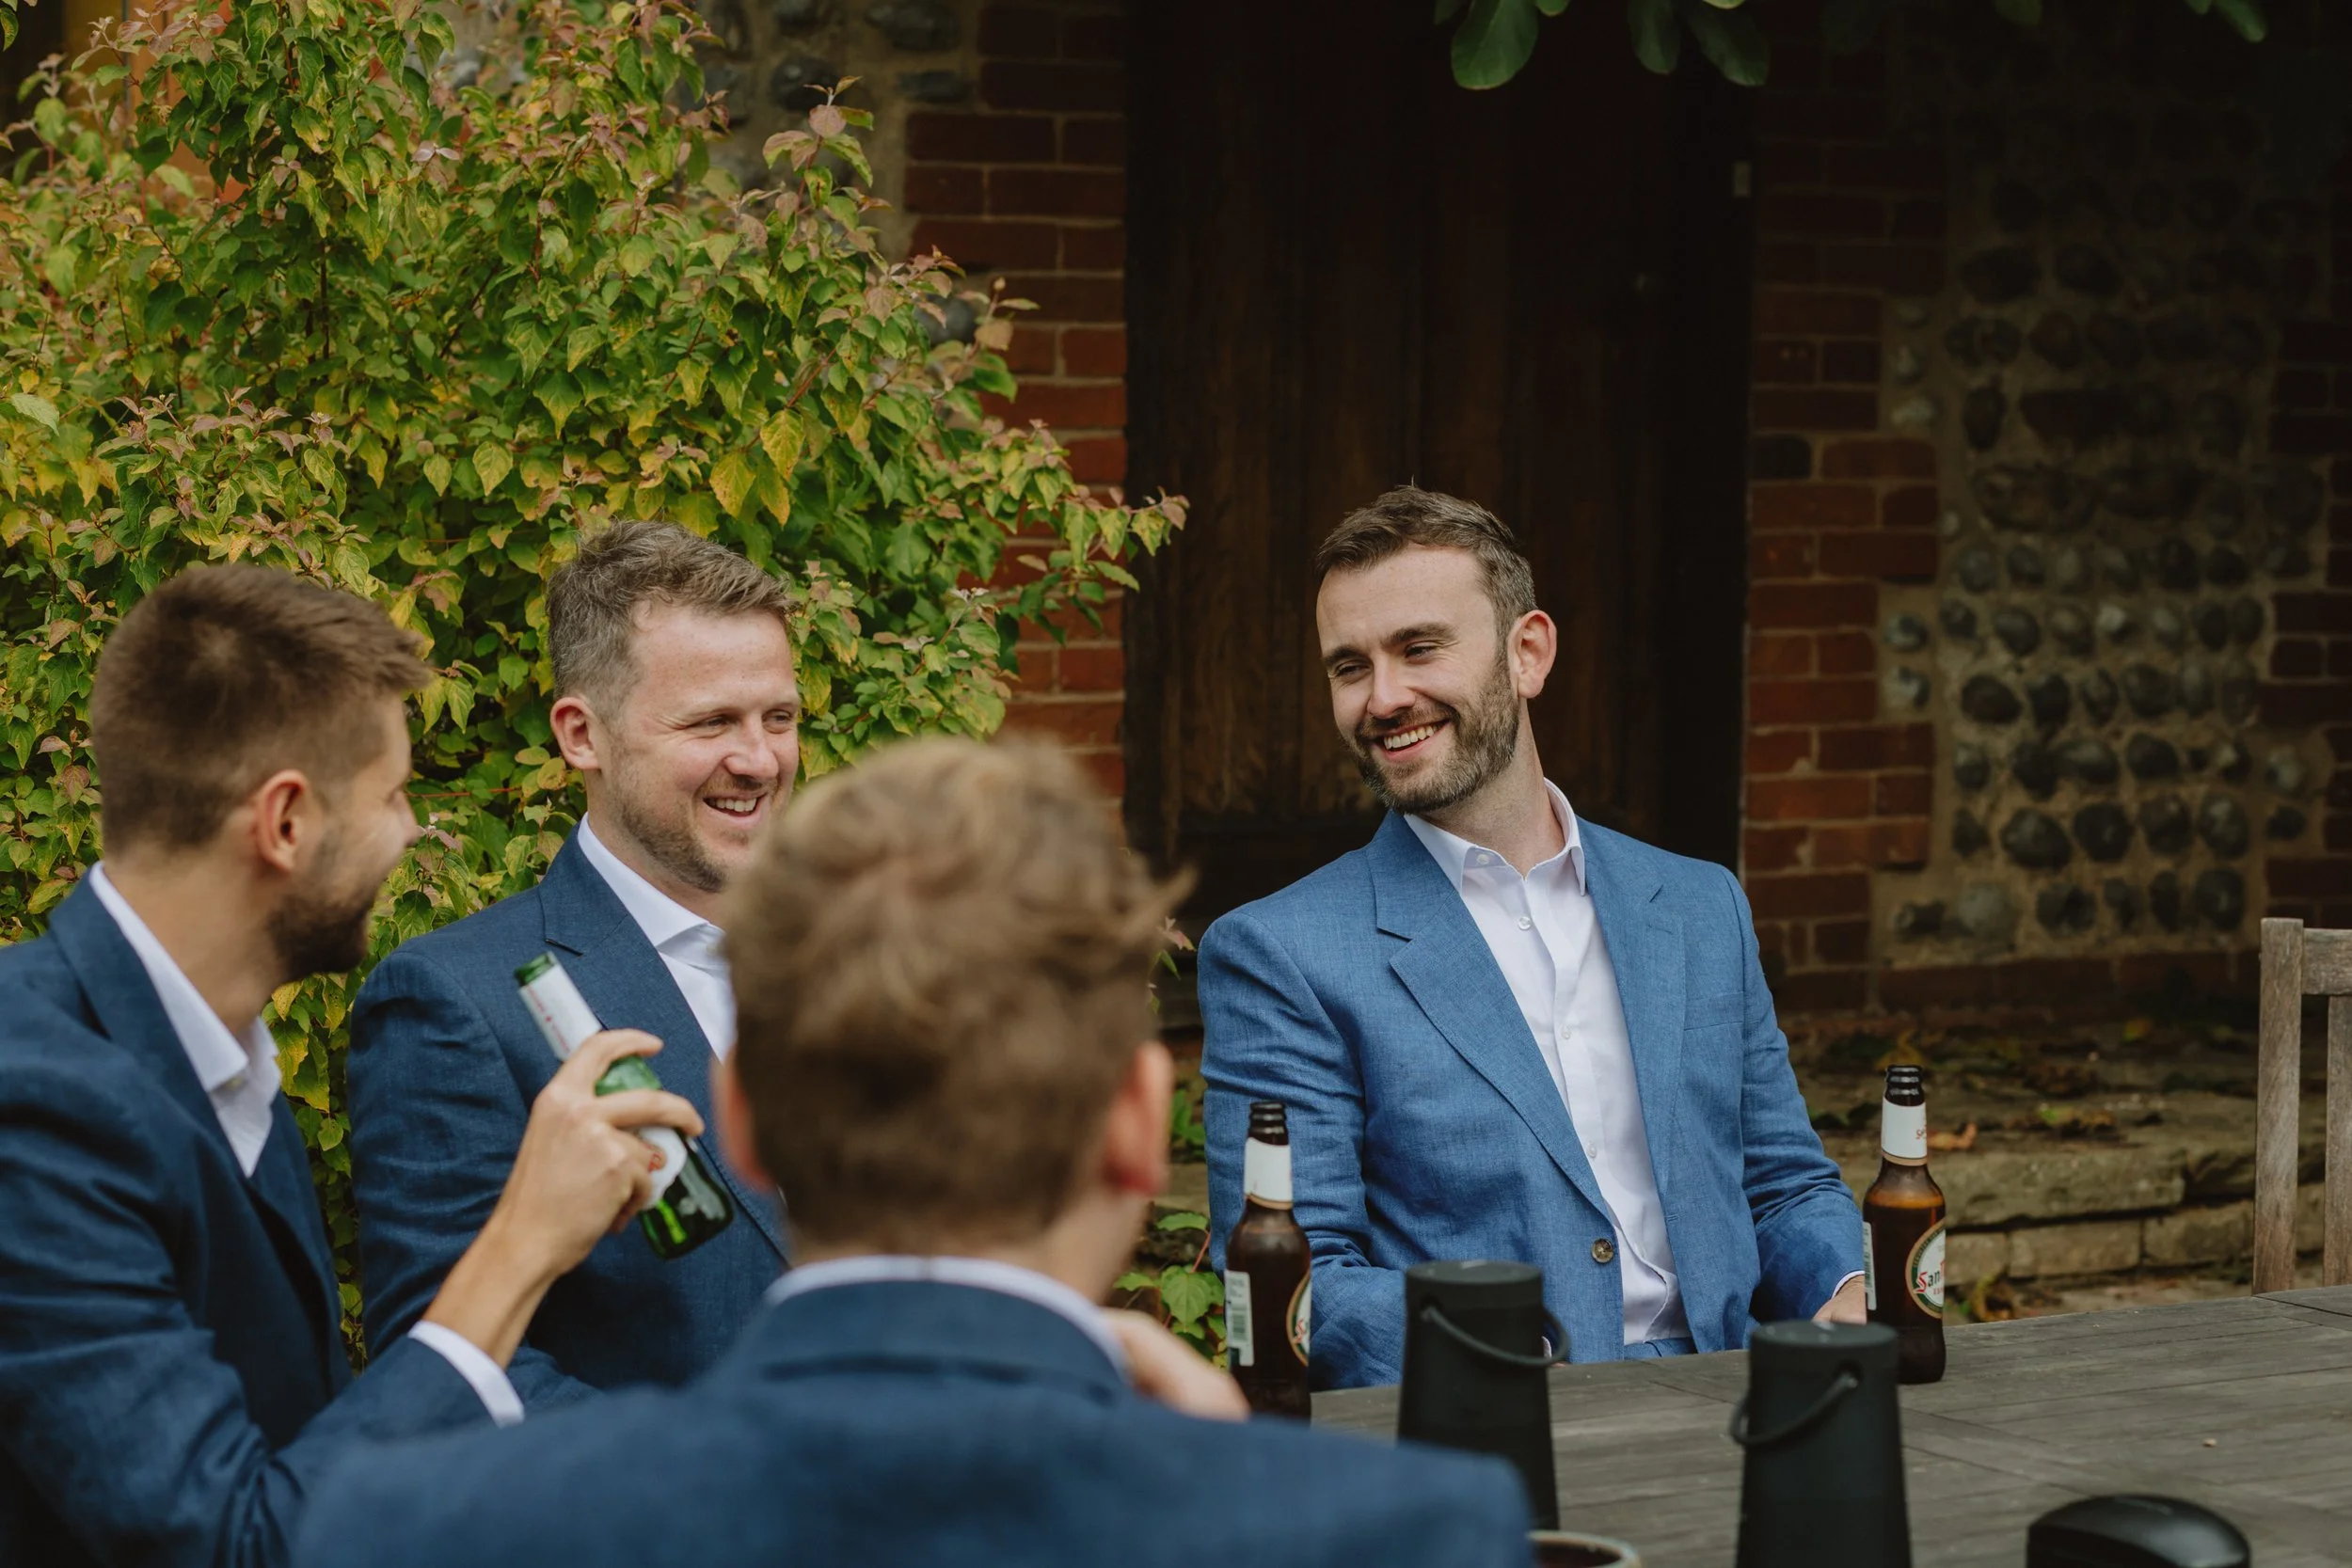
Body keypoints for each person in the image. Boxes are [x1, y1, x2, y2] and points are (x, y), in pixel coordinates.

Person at [294, 738, 1533, 1568]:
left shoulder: (430, 1523)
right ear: (1135, 1125)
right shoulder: (1412, 1535)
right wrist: (1241, 1479)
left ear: (741, 1119)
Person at [0, 565, 707, 1568]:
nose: (412, 829)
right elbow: (226, 1542)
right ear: (286, 822)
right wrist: (522, 1241)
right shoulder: (31, 1094)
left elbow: (301, 1448)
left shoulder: (224, 1062)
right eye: (392, 794)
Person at [1200, 486, 1864, 1390]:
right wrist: (1512, 1353)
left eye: (1419, 648)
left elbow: (1783, 1184)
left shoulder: (1701, 905)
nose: (1383, 698)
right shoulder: (1281, 954)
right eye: (1349, 666)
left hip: (1747, 1395)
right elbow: (1294, 1278)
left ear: (1528, 653)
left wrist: (1846, 1289)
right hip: (1491, 1418)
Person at [348, 521, 797, 1405]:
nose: (758, 759)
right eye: (711, 721)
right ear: (582, 734)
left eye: (778, 717)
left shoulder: (852, 954)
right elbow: (450, 1375)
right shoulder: (456, 1002)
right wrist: (737, 1469)